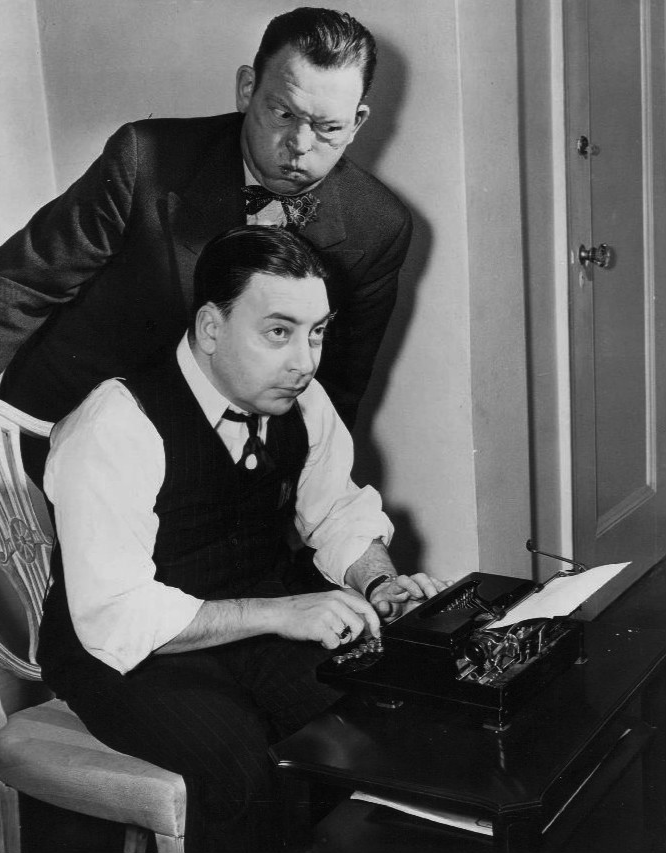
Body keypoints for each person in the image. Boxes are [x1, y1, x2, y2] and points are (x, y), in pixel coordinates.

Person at [36, 226, 438, 853]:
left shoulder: (303, 402)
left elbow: (335, 511)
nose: (305, 361)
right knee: (240, 770)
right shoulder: (116, 423)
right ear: (211, 328)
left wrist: (379, 582)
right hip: (125, 654)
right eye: (278, 332)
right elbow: (116, 615)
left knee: (367, 724)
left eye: (317, 332)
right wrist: (281, 612)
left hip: (253, 627)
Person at [0, 7, 412, 453]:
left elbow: (335, 390)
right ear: (247, 89)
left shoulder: (379, 226)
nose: (300, 145)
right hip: (57, 428)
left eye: (328, 127)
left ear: (357, 122)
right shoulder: (143, 158)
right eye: (283, 114)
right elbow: (16, 286)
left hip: (215, 460)